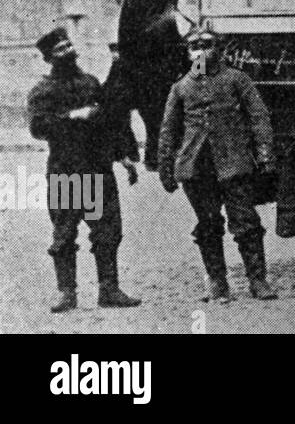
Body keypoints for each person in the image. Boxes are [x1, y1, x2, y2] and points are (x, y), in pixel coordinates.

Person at [159, 24, 278, 302]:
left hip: (233, 163)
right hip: (197, 168)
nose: (200, 51)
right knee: (208, 224)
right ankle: (217, 282)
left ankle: (258, 280)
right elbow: (168, 130)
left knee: (246, 223)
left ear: (220, 49)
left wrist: (264, 154)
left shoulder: (237, 80)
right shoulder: (180, 88)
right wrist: (166, 167)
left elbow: (258, 118)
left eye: (207, 45)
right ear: (187, 52)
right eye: (194, 46)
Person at [28, 28, 141, 313]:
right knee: (64, 233)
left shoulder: (91, 83)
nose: (68, 52)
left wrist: (123, 156)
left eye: (68, 46)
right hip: (65, 172)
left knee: (107, 231)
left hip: (98, 169)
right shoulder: (43, 91)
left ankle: (109, 289)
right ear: (49, 59)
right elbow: (38, 128)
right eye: (60, 50)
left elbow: (110, 123)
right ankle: (67, 293)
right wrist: (73, 116)